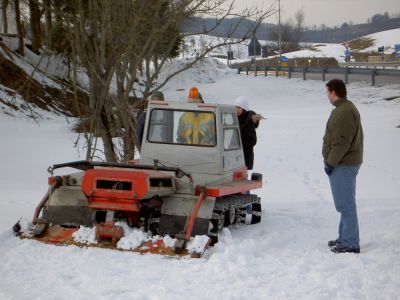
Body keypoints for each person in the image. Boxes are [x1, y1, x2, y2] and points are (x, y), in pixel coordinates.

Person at [323, 79, 364, 254]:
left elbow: (342, 142)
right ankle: (344, 237)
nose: (327, 96)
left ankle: (351, 243)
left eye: (327, 93)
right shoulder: (343, 108)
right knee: (344, 203)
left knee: (345, 204)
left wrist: (330, 162)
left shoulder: (344, 112)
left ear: (333, 92)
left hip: (343, 164)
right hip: (344, 163)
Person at [234, 96, 257, 170]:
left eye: (239, 108)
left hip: (244, 155)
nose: (237, 110)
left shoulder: (248, 121)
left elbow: (252, 140)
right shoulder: (235, 118)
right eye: (236, 107)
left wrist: (240, 148)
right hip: (236, 154)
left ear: (244, 109)